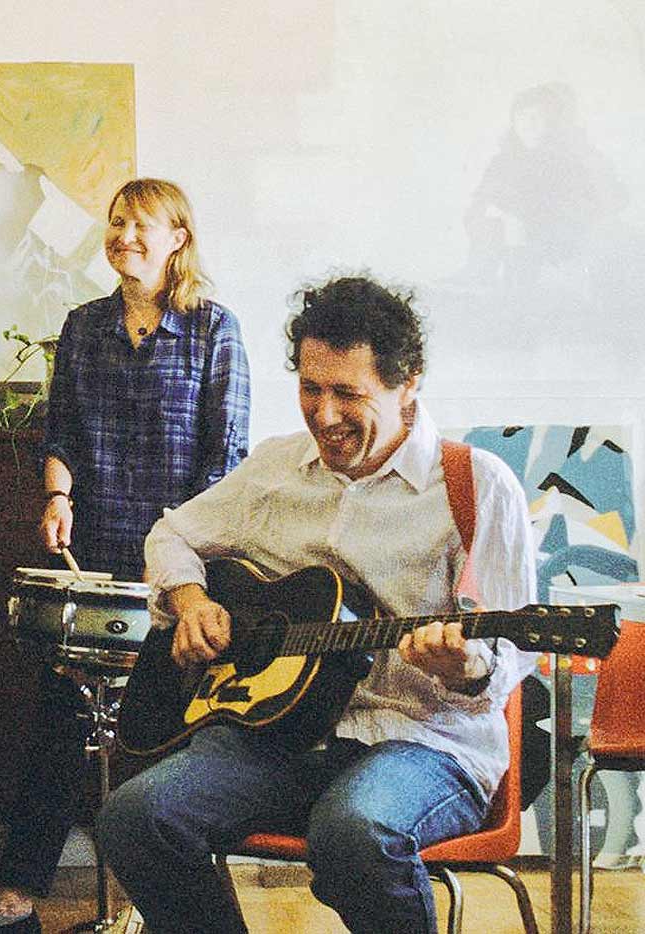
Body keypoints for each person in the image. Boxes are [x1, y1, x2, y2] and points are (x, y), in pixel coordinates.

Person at [94, 276, 539, 933]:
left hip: (423, 741)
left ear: (407, 384)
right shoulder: (274, 469)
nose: (325, 416)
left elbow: (512, 650)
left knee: (353, 833)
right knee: (134, 818)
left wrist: (463, 667)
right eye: (310, 388)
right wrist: (190, 601)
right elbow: (172, 535)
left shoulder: (474, 486)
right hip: (277, 736)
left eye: (348, 394)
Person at [0, 179, 250, 933]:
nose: (125, 237)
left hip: (181, 572)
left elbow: (227, 459)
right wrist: (58, 496)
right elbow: (62, 433)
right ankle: (15, 905)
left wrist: (178, 556)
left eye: (142, 225)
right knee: (58, 729)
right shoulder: (84, 325)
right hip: (94, 561)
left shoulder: (215, 329)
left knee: (165, 735)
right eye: (116, 223)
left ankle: (163, 911)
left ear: (178, 238)